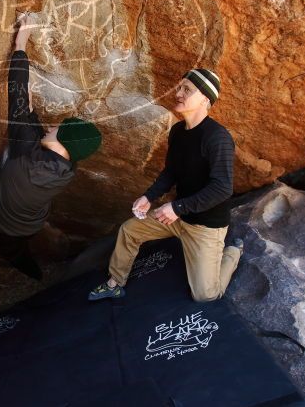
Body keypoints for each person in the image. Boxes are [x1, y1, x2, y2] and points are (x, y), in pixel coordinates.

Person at [88, 68, 242, 302]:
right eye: (179, 87)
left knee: (205, 296)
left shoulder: (217, 138)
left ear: (205, 99)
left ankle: (232, 253)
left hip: (205, 226)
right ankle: (115, 282)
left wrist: (177, 208)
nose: (178, 92)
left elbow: (222, 188)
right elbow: (171, 171)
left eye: (186, 89)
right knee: (129, 230)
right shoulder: (178, 132)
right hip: (176, 218)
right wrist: (149, 197)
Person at [0, 13, 102, 280]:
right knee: (26, 241)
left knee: (15, 255)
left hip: (3, 228)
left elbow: (16, 94)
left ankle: (32, 274)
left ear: (64, 142)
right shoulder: (68, 165)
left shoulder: (27, 152)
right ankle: (44, 246)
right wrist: (30, 112)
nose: (50, 127)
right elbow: (30, 127)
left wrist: (21, 41)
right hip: (31, 222)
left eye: (57, 129)